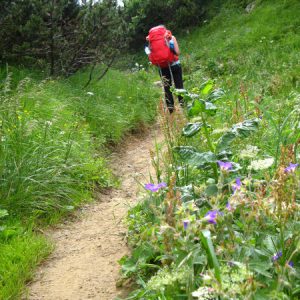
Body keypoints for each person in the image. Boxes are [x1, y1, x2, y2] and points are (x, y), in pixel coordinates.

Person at [145, 25, 184, 113]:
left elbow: (150, 55)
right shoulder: (170, 37)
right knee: (179, 86)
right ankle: (184, 107)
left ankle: (171, 112)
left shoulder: (151, 41)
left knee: (167, 89)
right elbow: (177, 52)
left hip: (162, 67)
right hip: (175, 65)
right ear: (164, 30)